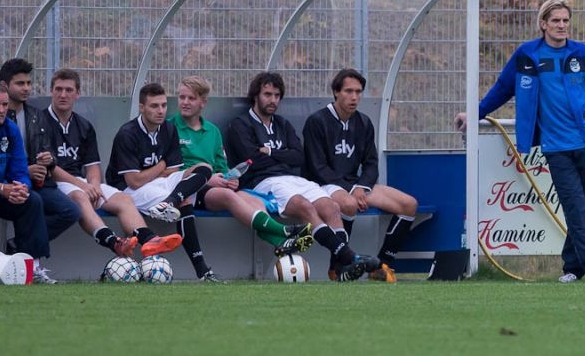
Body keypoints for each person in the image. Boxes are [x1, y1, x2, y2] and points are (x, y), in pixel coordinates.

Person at [454, 0, 585, 283]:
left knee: (584, 207)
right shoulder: (527, 55)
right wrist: (475, 113)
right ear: (543, 24)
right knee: (575, 204)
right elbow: (502, 89)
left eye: (565, 21)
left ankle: (572, 268)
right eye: (555, 20)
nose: (561, 26)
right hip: (556, 146)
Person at [226, 71, 381, 282]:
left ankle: (341, 268)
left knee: (332, 207)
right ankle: (349, 257)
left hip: (294, 179)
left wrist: (270, 152)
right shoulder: (240, 124)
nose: (273, 100)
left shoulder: (283, 124)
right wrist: (282, 156)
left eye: (277, 95)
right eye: (267, 94)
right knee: (304, 205)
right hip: (262, 182)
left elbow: (299, 157)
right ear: (256, 96)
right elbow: (252, 161)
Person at [40, 69, 183, 259]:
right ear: (51, 91)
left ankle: (149, 240)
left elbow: (92, 165)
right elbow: (49, 167)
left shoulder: (84, 125)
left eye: (68, 90)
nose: (63, 95)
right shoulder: (40, 121)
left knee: (124, 200)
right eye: (58, 89)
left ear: (78, 94)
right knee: (80, 196)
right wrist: (84, 186)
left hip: (80, 181)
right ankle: (114, 242)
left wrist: (95, 186)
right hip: (53, 183)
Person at [168, 75, 313, 257]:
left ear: (203, 102)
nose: (185, 102)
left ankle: (280, 243)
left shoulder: (212, 131)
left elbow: (221, 166)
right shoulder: (169, 128)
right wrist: (207, 178)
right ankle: (284, 231)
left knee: (249, 198)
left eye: (191, 98)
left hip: (213, 187)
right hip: (187, 188)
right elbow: (168, 169)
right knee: (229, 196)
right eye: (182, 97)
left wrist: (229, 179)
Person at [303, 68, 418, 283]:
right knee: (348, 204)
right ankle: (337, 267)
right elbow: (318, 167)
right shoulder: (317, 121)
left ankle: (381, 266)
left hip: (354, 185)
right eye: (348, 91)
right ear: (336, 92)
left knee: (408, 204)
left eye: (358, 92)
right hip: (322, 184)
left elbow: (371, 164)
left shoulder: (364, 122)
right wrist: (351, 191)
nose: (354, 97)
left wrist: (361, 187)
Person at [107, 83, 221, 282]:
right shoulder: (128, 133)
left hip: (160, 184)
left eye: (163, 105)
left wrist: (160, 170)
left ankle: (168, 202)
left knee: (204, 168)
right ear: (141, 107)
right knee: (184, 202)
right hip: (128, 191)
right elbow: (134, 181)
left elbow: (174, 169)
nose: (160, 111)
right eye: (154, 106)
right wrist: (161, 166)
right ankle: (203, 271)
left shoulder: (168, 128)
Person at [0, 82, 54, 283]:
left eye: (5, 105)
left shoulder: (10, 129)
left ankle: (32, 268)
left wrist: (22, 187)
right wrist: (0, 188)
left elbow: (20, 169)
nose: (1, 110)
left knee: (32, 201)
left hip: (2, 192)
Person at [0, 58, 80, 245]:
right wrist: (25, 171)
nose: (26, 88)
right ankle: (29, 258)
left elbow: (49, 151)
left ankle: (18, 245)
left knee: (71, 211)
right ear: (4, 86)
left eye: (28, 83)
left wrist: (47, 160)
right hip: (8, 183)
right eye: (20, 83)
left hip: (39, 183)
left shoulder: (36, 115)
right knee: (31, 204)